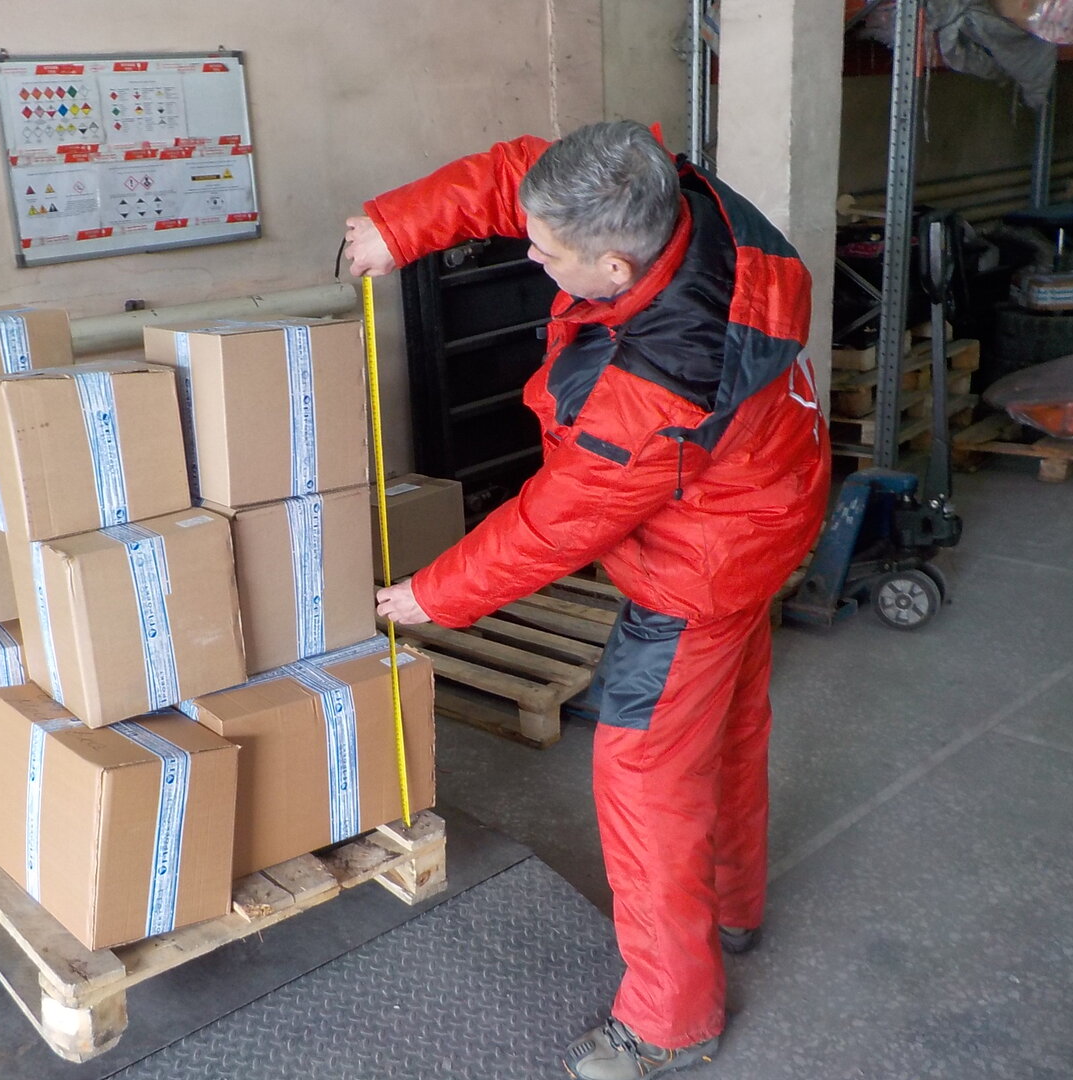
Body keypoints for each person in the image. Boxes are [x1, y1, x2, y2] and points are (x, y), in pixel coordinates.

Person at [345, 121, 830, 1080]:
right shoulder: (660, 189)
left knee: (644, 775)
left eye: (548, 254)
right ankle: (732, 907)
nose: (530, 257)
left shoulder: (662, 384)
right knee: (727, 725)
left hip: (705, 563)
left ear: (614, 268)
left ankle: (670, 1020)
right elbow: (520, 177)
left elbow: (559, 521)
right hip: (771, 495)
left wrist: (431, 595)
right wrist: (399, 229)